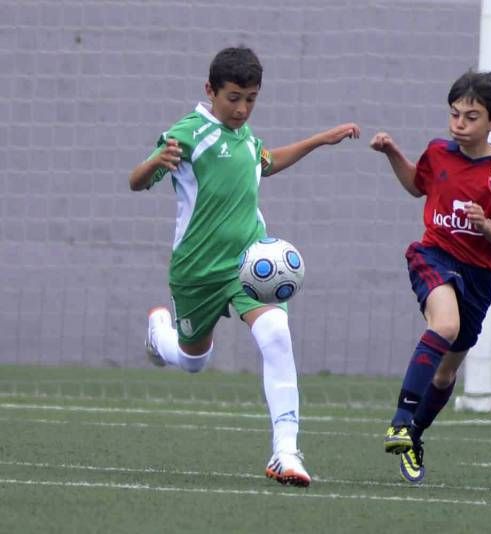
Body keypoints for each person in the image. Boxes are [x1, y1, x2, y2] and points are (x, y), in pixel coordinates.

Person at [129, 47, 360, 488]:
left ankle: (286, 452)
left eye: (251, 98)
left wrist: (318, 140)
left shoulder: (247, 138)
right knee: (195, 361)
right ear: (210, 91)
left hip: (251, 264)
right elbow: (136, 182)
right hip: (197, 271)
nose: (242, 108)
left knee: (275, 335)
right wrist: (153, 163)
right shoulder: (189, 133)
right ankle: (161, 334)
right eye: (233, 97)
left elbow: (266, 163)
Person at [369, 70, 491, 484]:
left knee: (446, 374)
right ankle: (401, 418)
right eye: (455, 114)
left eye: (471, 117)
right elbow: (417, 186)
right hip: (433, 255)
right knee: (444, 324)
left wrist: (485, 226)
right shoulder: (439, 152)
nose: (459, 124)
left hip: (478, 275)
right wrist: (392, 152)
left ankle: (414, 435)